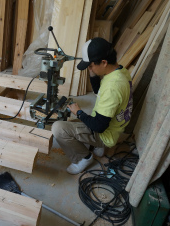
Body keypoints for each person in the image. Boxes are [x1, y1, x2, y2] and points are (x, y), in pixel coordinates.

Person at [52, 37, 133, 175]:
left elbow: (99, 126)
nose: (89, 68)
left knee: (59, 129)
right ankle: (98, 147)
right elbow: (98, 91)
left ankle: (84, 158)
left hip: (105, 132)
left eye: (91, 66)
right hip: (115, 125)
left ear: (104, 62)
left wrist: (79, 113)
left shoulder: (113, 87)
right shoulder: (120, 72)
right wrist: (92, 73)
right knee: (84, 118)